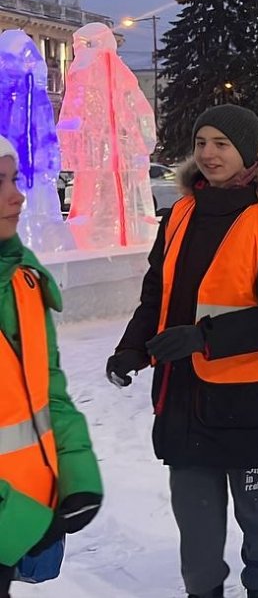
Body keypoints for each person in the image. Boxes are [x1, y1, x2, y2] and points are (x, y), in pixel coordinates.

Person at [105, 106, 258, 598]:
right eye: (201, 142)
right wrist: (132, 348)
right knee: (196, 523)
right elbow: (157, 294)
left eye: (221, 143)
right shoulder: (180, 214)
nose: (208, 153)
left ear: (246, 150)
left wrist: (204, 336)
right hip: (185, 394)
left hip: (252, 397)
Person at [0, 135, 103, 597]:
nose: (17, 195)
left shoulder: (21, 279)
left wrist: (77, 477)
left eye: (13, 179)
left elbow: (47, 392)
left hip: (17, 521)